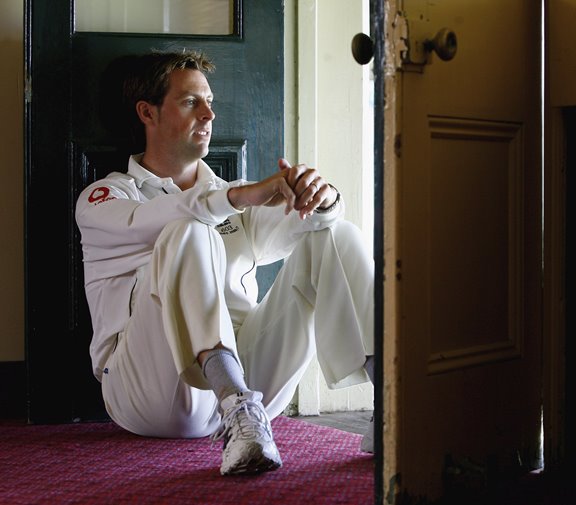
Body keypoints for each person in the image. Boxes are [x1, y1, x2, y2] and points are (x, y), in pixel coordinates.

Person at [75, 49, 375, 476]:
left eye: (210, 101)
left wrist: (320, 198)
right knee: (189, 229)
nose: (209, 113)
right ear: (148, 112)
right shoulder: (104, 198)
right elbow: (163, 219)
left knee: (333, 234)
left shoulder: (235, 194)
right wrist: (239, 198)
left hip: (256, 387)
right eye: (190, 102)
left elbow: (309, 224)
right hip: (151, 395)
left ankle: (392, 406)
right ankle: (233, 403)